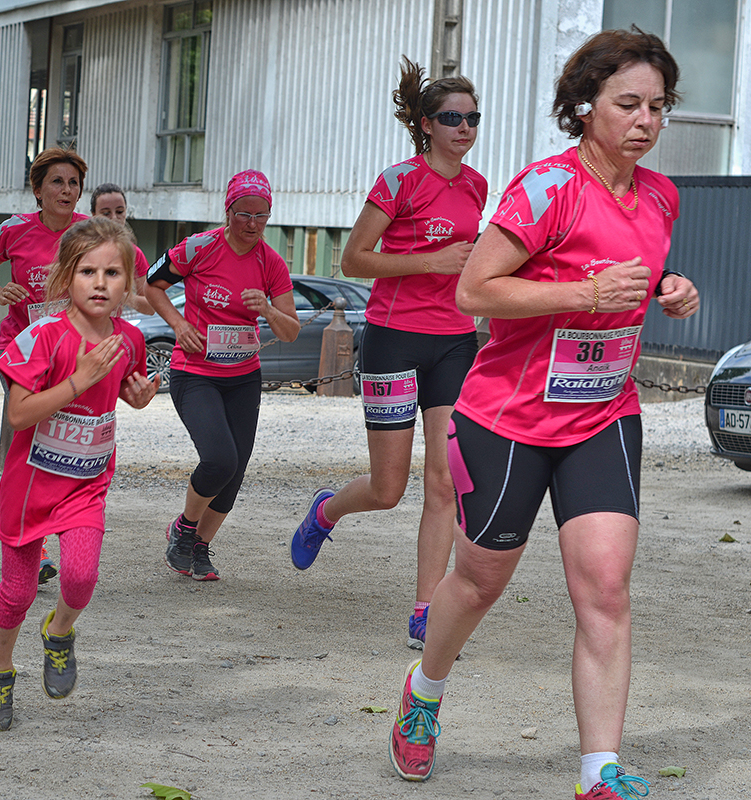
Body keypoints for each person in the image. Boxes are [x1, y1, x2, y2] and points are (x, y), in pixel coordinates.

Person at [386, 29, 699, 799]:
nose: (646, 120)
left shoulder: (662, 195)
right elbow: (476, 290)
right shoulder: (546, 189)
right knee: (479, 582)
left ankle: (598, 773)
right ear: (586, 105)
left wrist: (670, 288)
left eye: (658, 106)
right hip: (509, 420)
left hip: (603, 413)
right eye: (628, 103)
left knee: (606, 588)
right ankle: (424, 691)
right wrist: (585, 294)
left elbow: (639, 269)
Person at [290, 57, 487, 650]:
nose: (464, 127)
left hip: (455, 341)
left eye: (473, 118)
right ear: (427, 124)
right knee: (388, 488)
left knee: (444, 483)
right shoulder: (399, 180)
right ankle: (326, 511)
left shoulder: (477, 186)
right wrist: (431, 261)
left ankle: (426, 611)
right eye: (452, 117)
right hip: (394, 338)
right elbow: (353, 260)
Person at [0, 216, 158, 731]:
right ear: (65, 277)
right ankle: (0, 669)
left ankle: (58, 632)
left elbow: (124, 388)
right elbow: (18, 414)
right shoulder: (42, 336)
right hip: (30, 485)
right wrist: (79, 380)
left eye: (112, 273)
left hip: (86, 482)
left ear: (127, 282)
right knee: (18, 593)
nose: (100, 283)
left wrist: (139, 397)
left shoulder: (129, 339)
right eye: (87, 272)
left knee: (80, 579)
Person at [148, 169, 300, 581]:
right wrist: (179, 325)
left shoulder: (271, 263)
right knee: (219, 459)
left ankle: (199, 546)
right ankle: (184, 529)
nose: (252, 224)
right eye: (243, 214)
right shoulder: (200, 248)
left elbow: (290, 330)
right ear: (228, 211)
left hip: (243, 377)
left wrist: (267, 309)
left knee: (235, 472)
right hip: (195, 372)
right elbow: (152, 286)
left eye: (261, 215)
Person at [0, 147, 91, 585]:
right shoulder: (13, 230)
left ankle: (57, 528)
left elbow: (122, 275)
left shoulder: (90, 232)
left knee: (62, 443)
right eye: (57, 182)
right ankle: (32, 543)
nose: (66, 190)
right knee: (29, 440)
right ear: (37, 190)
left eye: (73, 183)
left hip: (74, 353)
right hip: (21, 352)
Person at [90, 183, 153, 315]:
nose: (114, 218)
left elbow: (150, 307)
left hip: (113, 325)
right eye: (106, 213)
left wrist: (122, 296)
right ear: (93, 215)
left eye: (119, 212)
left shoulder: (134, 253)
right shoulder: (80, 248)